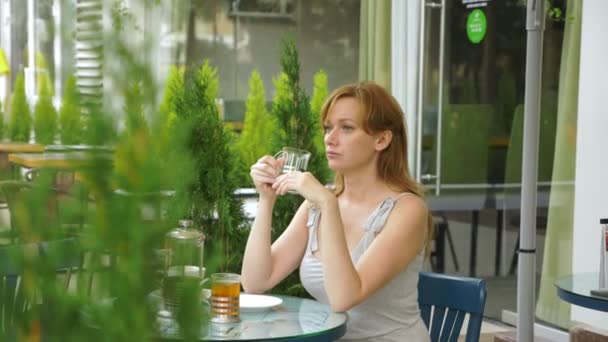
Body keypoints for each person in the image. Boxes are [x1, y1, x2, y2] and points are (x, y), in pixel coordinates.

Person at [241, 81, 432, 341]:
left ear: (382, 139)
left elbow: (344, 298)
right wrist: (266, 199)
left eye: (347, 128)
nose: (330, 139)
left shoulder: (407, 210)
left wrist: (327, 204)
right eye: (328, 128)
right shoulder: (319, 203)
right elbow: (255, 282)